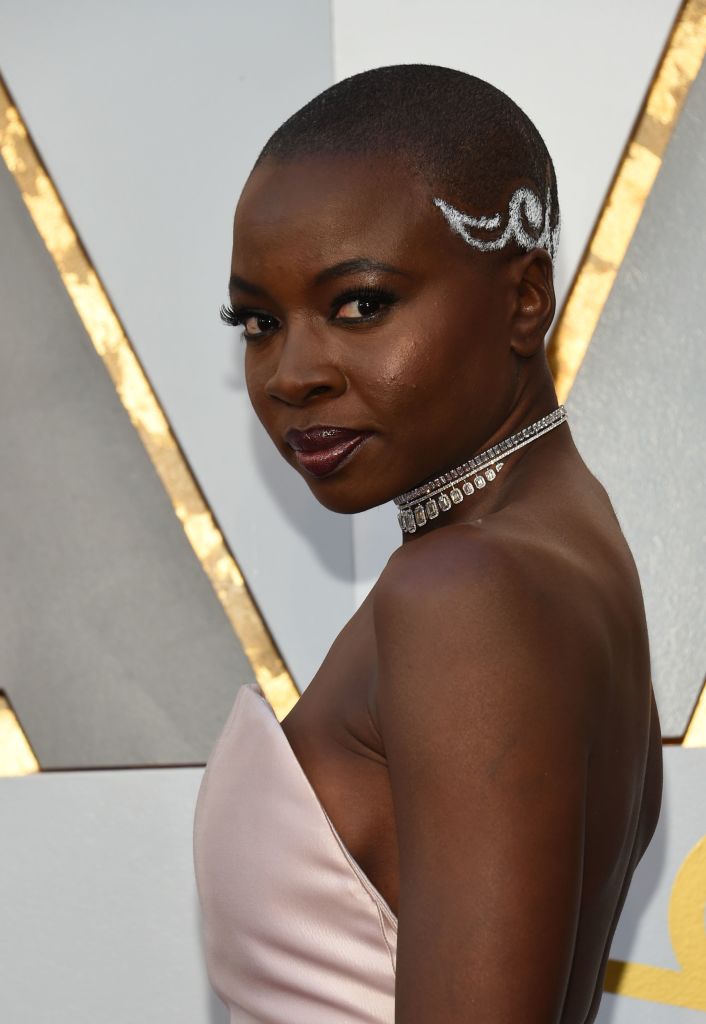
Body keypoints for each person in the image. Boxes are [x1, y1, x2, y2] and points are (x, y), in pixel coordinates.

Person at [193, 64, 662, 1023]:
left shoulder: (464, 591)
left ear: (525, 299)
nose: (291, 374)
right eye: (259, 322)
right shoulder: (559, 538)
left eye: (360, 304)